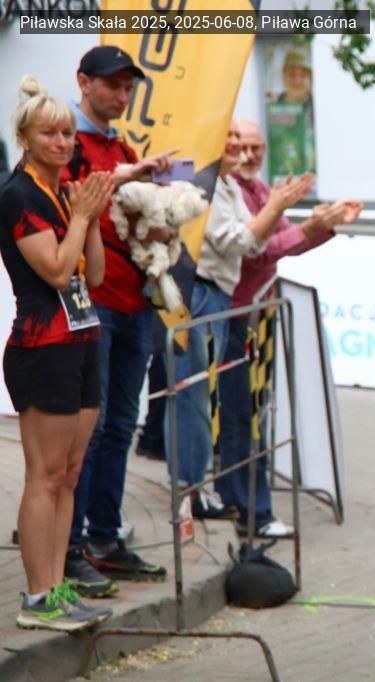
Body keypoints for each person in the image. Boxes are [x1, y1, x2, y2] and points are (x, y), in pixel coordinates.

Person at [1, 76, 114, 631]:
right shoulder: (18, 194)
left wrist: (87, 215)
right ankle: (37, 597)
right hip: (42, 345)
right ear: (24, 138)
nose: (63, 142)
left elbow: (95, 274)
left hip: (82, 337)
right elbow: (54, 270)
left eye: (68, 133)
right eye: (50, 133)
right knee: (44, 475)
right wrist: (84, 217)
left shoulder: (66, 191)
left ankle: (58, 585)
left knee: (68, 473)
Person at [213, 120, 361, 538]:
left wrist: (324, 223)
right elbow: (255, 251)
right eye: (237, 143)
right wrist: (313, 226)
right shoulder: (226, 189)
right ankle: (249, 510)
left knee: (249, 416)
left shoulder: (258, 189)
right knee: (242, 419)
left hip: (254, 317)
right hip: (233, 316)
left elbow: (283, 242)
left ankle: (241, 502)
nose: (247, 153)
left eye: (255, 146)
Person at [62, 46, 175, 599]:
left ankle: (104, 538)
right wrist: (130, 175)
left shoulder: (123, 146)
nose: (122, 95)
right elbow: (72, 196)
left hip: (134, 302)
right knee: (88, 429)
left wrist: (163, 214)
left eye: (129, 87)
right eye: (113, 85)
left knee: (119, 427)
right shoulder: (70, 141)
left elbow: (136, 218)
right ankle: (70, 547)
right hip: (92, 303)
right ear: (83, 83)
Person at [167, 120, 312, 518]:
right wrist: (280, 210)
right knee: (194, 399)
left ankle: (199, 491)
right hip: (206, 294)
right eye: (230, 137)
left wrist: (309, 224)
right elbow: (244, 242)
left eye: (247, 141)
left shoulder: (231, 184)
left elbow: (263, 242)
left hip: (228, 300)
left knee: (210, 402)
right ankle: (191, 493)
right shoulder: (207, 180)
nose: (241, 149)